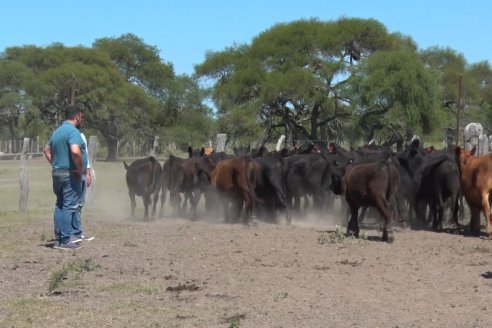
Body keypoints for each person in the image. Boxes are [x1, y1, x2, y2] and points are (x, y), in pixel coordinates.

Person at [43, 106, 88, 250]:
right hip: (70, 174)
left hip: (57, 173)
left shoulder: (57, 131)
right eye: (81, 117)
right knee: (69, 206)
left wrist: (56, 164)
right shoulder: (73, 131)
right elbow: (75, 151)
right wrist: (80, 169)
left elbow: (46, 150)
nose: (82, 120)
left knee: (60, 204)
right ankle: (65, 241)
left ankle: (59, 239)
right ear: (77, 116)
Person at [71, 130, 94, 241]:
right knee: (74, 203)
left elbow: (85, 154)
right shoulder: (70, 135)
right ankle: (75, 232)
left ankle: (77, 231)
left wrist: (88, 172)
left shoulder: (82, 135)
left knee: (80, 203)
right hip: (75, 173)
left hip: (84, 173)